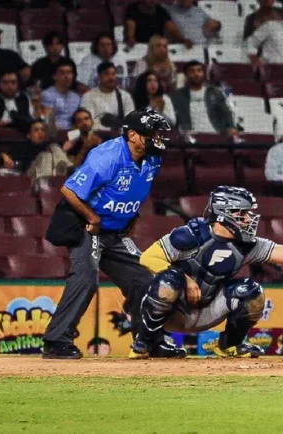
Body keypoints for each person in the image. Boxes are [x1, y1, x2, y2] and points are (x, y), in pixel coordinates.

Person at [129, 186, 283, 358]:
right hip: (175, 310)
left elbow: (280, 252)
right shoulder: (190, 235)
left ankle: (230, 345)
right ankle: (144, 343)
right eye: (242, 214)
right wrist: (186, 281)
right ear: (223, 214)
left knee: (251, 291)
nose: (248, 219)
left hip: (207, 310)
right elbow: (147, 258)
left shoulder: (246, 245)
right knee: (170, 279)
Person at [42, 108, 174, 359]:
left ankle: (149, 341)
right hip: (88, 226)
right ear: (133, 135)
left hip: (116, 231)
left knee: (145, 279)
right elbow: (69, 190)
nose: (158, 138)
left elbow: (138, 188)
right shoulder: (107, 157)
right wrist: (92, 217)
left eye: (159, 134)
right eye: (153, 134)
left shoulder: (154, 158)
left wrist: (133, 215)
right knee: (87, 277)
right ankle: (56, 341)